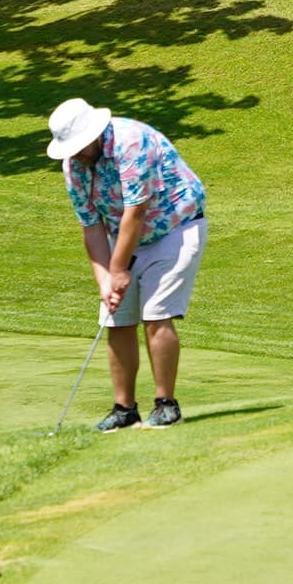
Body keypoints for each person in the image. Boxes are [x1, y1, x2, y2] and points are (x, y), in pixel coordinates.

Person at [47, 97, 205, 431]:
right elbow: (91, 226)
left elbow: (137, 210)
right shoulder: (73, 165)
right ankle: (124, 409)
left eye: (77, 146)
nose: (73, 154)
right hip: (124, 238)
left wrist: (118, 270)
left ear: (93, 134)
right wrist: (105, 280)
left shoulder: (131, 141)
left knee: (156, 312)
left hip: (175, 225)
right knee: (116, 319)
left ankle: (166, 404)